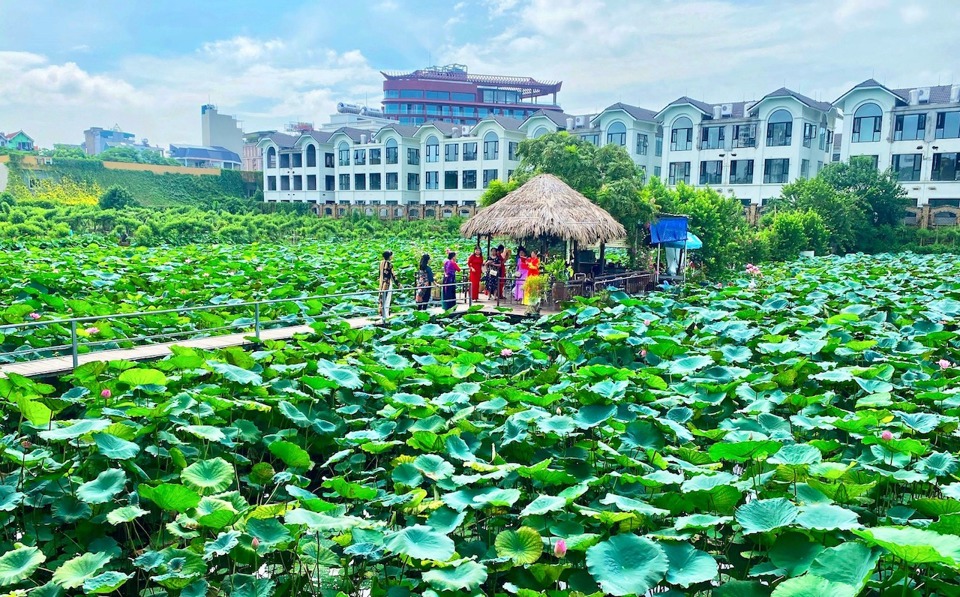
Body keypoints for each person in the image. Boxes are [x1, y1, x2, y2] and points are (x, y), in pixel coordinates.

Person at [378, 250, 398, 320]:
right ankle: (386, 315)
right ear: (389, 256)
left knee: (381, 297)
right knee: (387, 298)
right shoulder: (389, 264)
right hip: (387, 283)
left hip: (381, 283)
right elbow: (393, 275)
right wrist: (398, 284)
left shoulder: (381, 263)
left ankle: (381, 313)